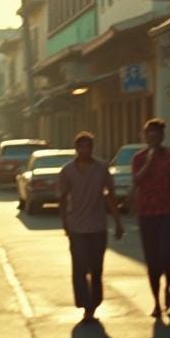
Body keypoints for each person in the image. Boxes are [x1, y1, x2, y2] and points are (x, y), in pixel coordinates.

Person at [57, 132, 123, 324]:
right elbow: (61, 198)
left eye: (89, 147)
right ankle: (85, 304)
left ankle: (94, 302)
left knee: (96, 268)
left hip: (97, 226)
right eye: (82, 147)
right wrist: (64, 223)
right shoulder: (67, 170)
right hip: (76, 227)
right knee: (79, 267)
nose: (85, 151)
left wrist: (118, 222)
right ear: (76, 149)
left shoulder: (102, 168)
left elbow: (111, 195)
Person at [131, 118, 170, 319]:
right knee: (152, 261)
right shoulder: (139, 158)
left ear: (162, 136)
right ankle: (156, 301)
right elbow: (137, 181)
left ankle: (168, 286)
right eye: (149, 133)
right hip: (147, 215)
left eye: (156, 133)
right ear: (145, 136)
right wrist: (150, 161)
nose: (152, 136)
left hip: (168, 213)